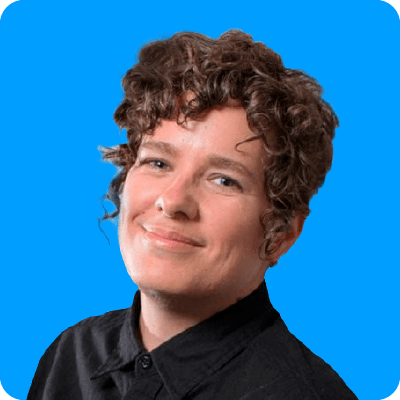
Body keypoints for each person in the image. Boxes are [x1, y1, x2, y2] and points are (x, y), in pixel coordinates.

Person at [28, 30, 358, 399]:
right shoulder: (71, 354)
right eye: (158, 162)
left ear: (280, 234)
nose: (172, 201)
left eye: (224, 180)